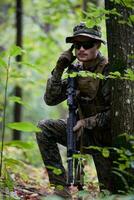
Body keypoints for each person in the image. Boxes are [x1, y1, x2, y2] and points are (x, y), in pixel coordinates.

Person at [36, 23, 112, 199]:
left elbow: (117, 114)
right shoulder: (75, 71)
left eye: (87, 45)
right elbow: (51, 99)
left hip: (107, 141)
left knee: (110, 194)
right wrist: (59, 68)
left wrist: (86, 122)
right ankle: (60, 188)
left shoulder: (108, 71)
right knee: (44, 127)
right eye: (78, 45)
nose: (82, 49)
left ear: (98, 45)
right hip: (82, 135)